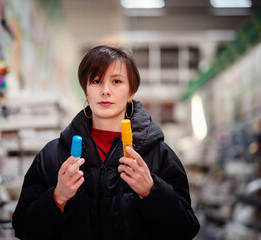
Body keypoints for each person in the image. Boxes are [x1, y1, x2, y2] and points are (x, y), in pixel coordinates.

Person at [12, 45, 200, 240]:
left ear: (131, 93)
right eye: (96, 81)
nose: (105, 91)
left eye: (116, 81)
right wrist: (57, 197)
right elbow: (24, 230)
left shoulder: (159, 155)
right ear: (86, 90)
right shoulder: (52, 155)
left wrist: (152, 192)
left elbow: (185, 231)